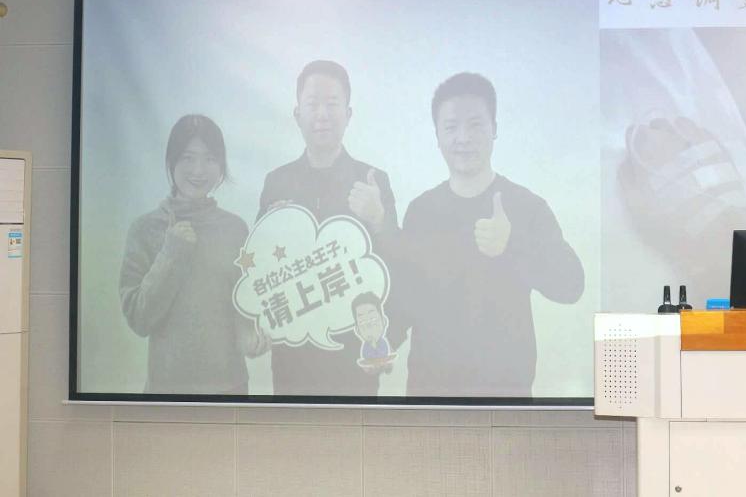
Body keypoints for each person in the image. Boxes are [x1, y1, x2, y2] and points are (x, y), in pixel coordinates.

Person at [395, 72, 585, 398]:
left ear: (494, 128)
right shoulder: (420, 211)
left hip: (506, 402)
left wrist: (512, 243)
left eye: (475, 125)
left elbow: (571, 285)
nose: (463, 138)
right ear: (437, 136)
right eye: (451, 127)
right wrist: (379, 340)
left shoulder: (526, 206)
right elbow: (406, 298)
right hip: (429, 401)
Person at [258, 60, 399, 396]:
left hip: (355, 359)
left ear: (348, 114)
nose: (322, 114)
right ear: (297, 115)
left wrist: (379, 219)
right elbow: (259, 271)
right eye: (312, 104)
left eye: (332, 104)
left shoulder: (373, 181)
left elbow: (398, 264)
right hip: (292, 358)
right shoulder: (277, 182)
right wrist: (271, 235)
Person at [120, 114, 258, 394]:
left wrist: (249, 337)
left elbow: (244, 304)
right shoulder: (145, 229)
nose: (199, 170)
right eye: (188, 158)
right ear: (171, 161)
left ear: (221, 166)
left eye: (210, 159)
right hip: (167, 392)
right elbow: (139, 320)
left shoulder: (235, 229)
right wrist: (172, 252)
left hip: (230, 388)